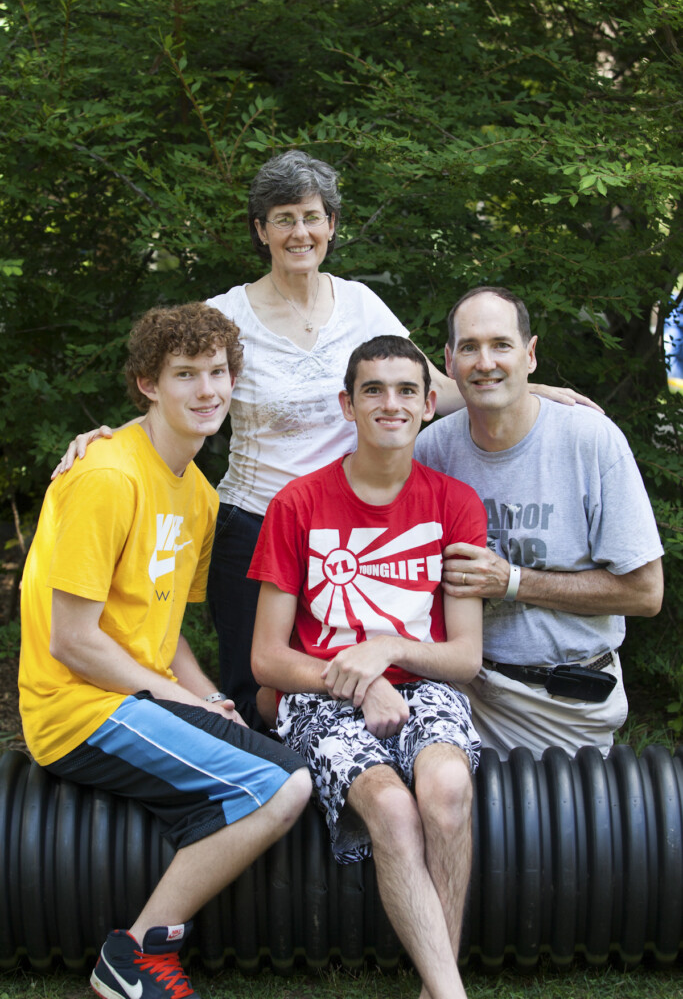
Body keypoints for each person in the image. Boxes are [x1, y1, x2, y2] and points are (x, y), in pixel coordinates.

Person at [52, 151, 596, 731]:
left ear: (332, 225)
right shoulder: (227, 314)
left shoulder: (361, 305)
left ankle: (345, 801)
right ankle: (266, 802)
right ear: (261, 230)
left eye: (311, 216)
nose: (299, 232)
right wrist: (107, 438)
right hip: (254, 526)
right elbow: (179, 395)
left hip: (350, 530)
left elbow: (430, 390)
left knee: (344, 687)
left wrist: (523, 390)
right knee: (256, 686)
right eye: (282, 218)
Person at [19, 303, 311, 999]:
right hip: (77, 709)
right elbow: (74, 642)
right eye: (186, 374)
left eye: (217, 372)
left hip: (131, 697)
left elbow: (162, 624)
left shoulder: (199, 496)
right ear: (149, 384)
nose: (207, 390)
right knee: (280, 783)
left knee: (271, 762)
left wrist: (208, 695)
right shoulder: (107, 477)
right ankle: (136, 953)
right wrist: (183, 700)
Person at [249, 335, 486, 999]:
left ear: (429, 404)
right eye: (373, 390)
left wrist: (388, 650)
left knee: (444, 793)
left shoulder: (454, 505)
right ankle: (449, 992)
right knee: (390, 806)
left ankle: (436, 986)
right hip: (318, 698)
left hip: (425, 687)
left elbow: (464, 657)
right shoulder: (297, 505)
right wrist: (360, 678)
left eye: (406, 390)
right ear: (346, 405)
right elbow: (265, 657)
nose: (391, 403)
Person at [414, 286, 665, 759]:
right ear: (448, 362)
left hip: (567, 704)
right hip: (464, 695)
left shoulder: (589, 440)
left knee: (560, 829)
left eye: (501, 345)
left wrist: (511, 581)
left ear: (530, 355)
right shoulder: (432, 451)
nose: (485, 361)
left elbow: (645, 593)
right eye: (469, 347)